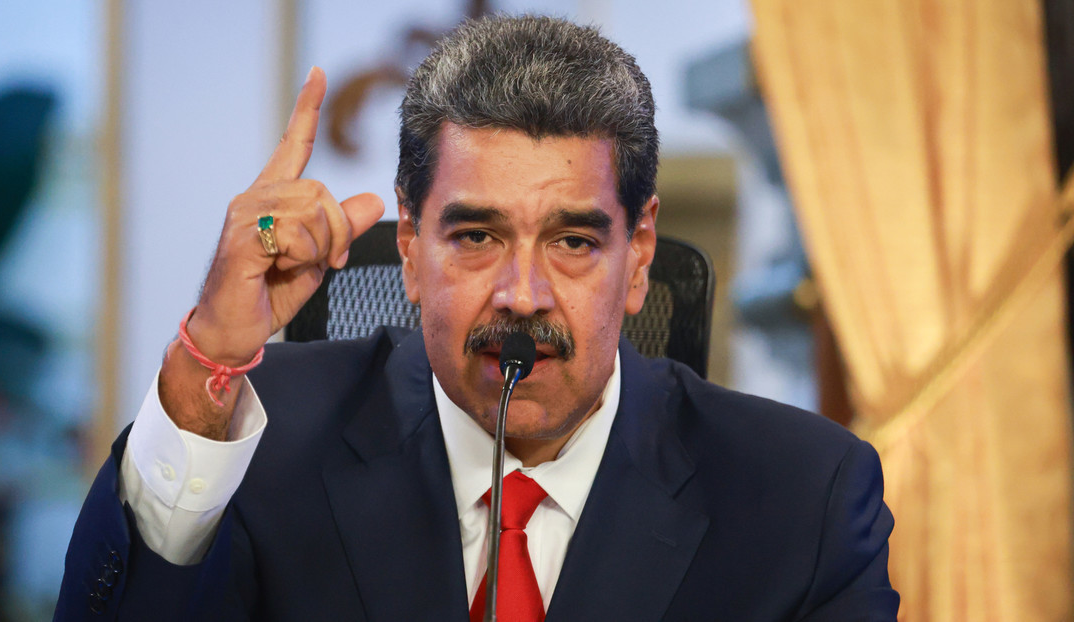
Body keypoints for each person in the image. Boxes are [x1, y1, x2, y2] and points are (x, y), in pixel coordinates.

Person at [55, 15, 899, 621]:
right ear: (410, 245)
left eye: (573, 241)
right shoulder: (257, 441)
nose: (522, 294)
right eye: (476, 236)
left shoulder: (803, 497)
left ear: (639, 254)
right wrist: (207, 362)